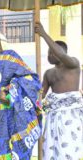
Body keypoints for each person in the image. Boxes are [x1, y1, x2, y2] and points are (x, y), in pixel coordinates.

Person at [0, 31, 42, 159]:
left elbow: (30, 79)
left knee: (13, 152)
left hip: (11, 118)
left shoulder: (10, 57)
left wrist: (9, 90)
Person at [35, 22, 83, 159]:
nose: (49, 55)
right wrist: (36, 104)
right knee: (51, 153)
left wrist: (43, 34)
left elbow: (61, 55)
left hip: (70, 116)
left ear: (59, 52)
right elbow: (41, 95)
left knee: (68, 152)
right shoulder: (48, 73)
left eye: (51, 52)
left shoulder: (73, 64)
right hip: (53, 116)